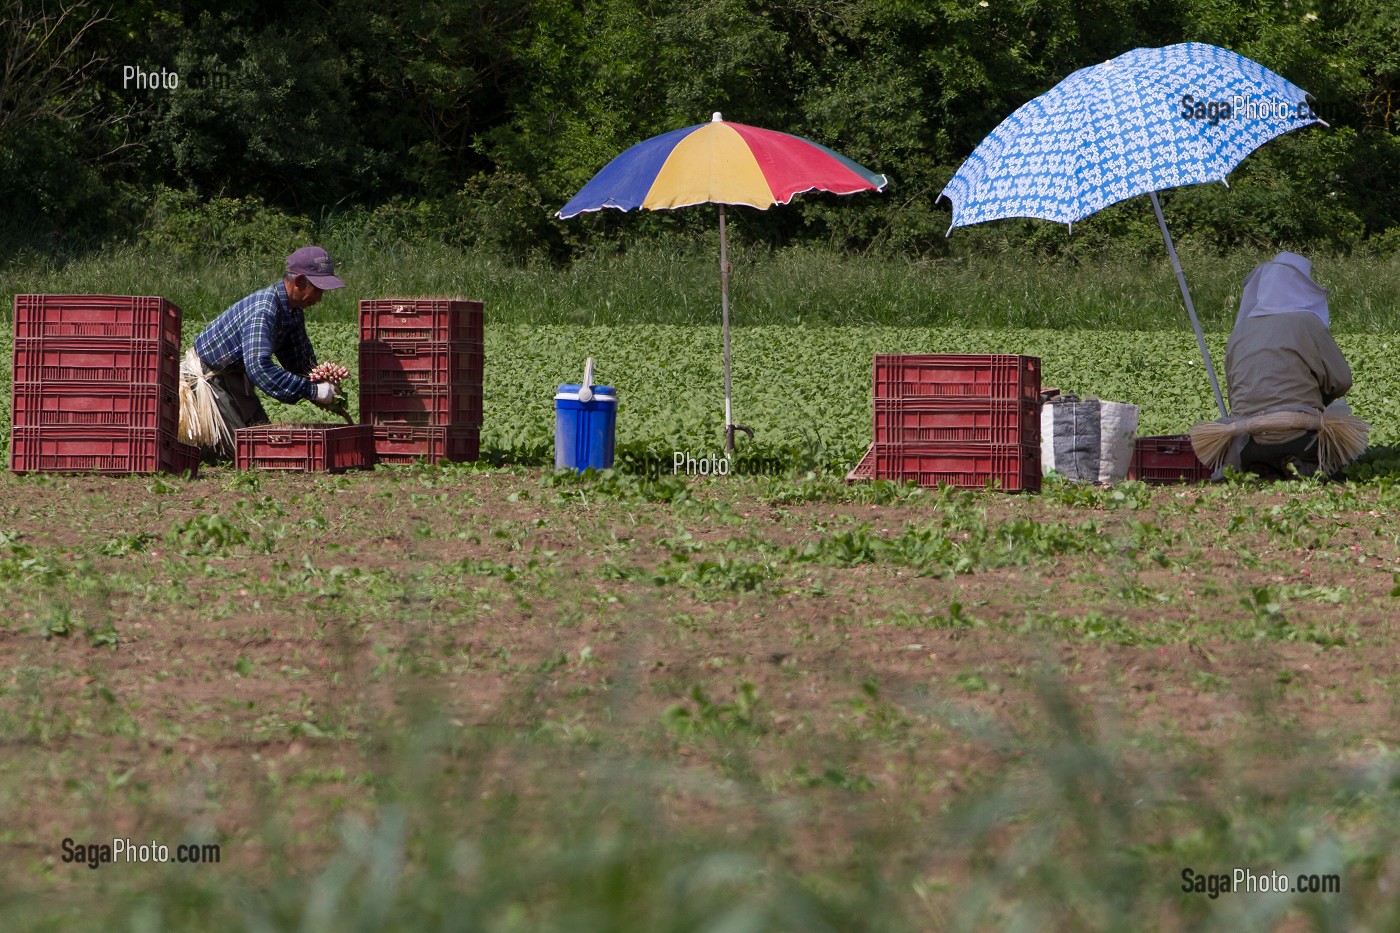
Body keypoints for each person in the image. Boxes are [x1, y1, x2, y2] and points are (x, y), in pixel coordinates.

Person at [179, 246, 348, 457]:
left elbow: (299, 360)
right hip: (209, 379)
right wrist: (313, 391)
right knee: (242, 452)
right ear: (299, 282)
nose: (320, 298)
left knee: (260, 442)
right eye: (318, 289)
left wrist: (322, 383)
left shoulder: (292, 311)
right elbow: (260, 368)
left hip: (235, 377)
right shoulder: (264, 310)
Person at [1221, 251, 1353, 479]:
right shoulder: (1308, 323)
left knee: (1261, 453)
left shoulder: (1239, 332)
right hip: (1300, 439)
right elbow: (1341, 382)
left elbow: (1234, 394)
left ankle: (1263, 464)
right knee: (1340, 457)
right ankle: (1301, 464)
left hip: (1247, 443)